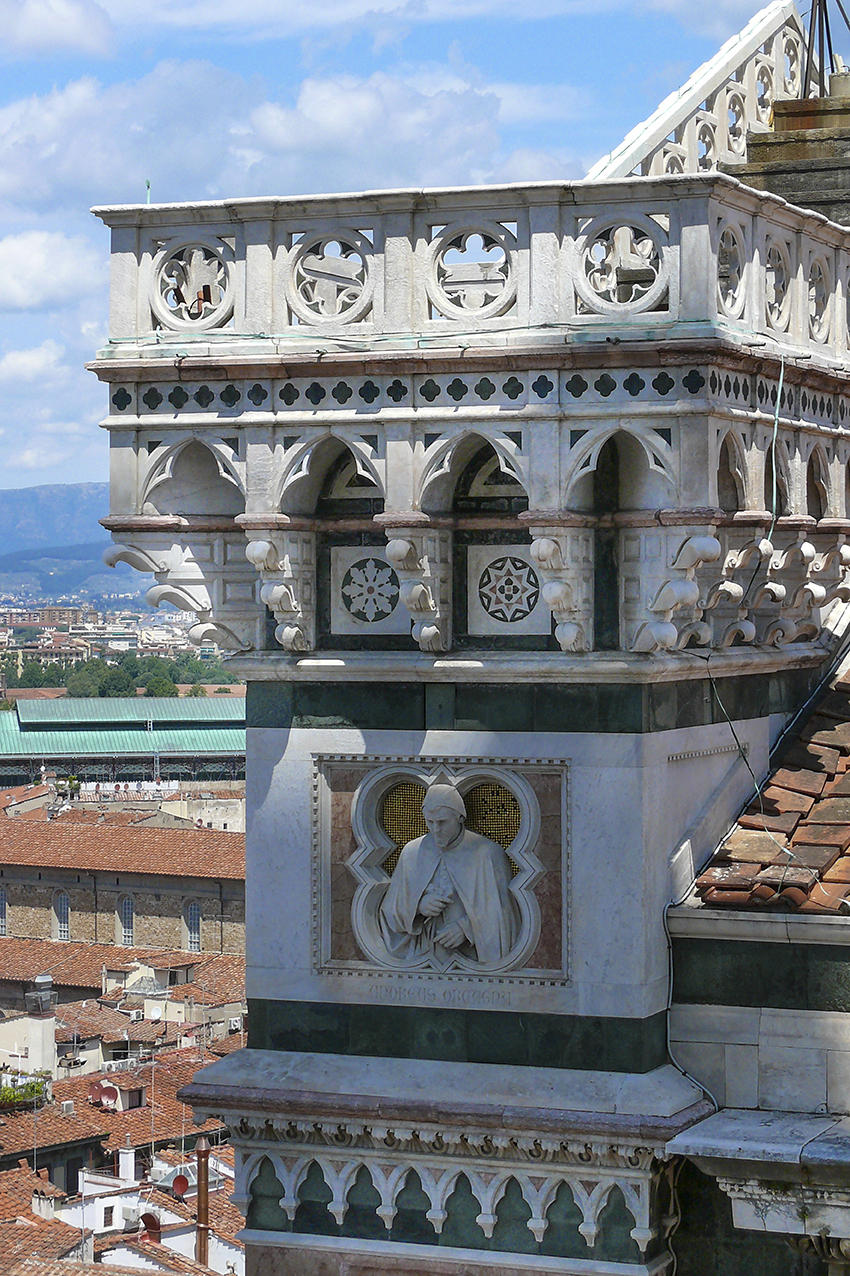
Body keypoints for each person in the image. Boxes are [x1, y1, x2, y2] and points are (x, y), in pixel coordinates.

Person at [378, 782, 520, 965]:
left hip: (472, 959)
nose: (436, 829)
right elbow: (389, 911)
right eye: (430, 822)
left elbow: (505, 913)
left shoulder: (486, 853)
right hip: (421, 957)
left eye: (442, 822)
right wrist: (418, 907)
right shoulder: (411, 852)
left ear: (460, 817)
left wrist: (467, 929)